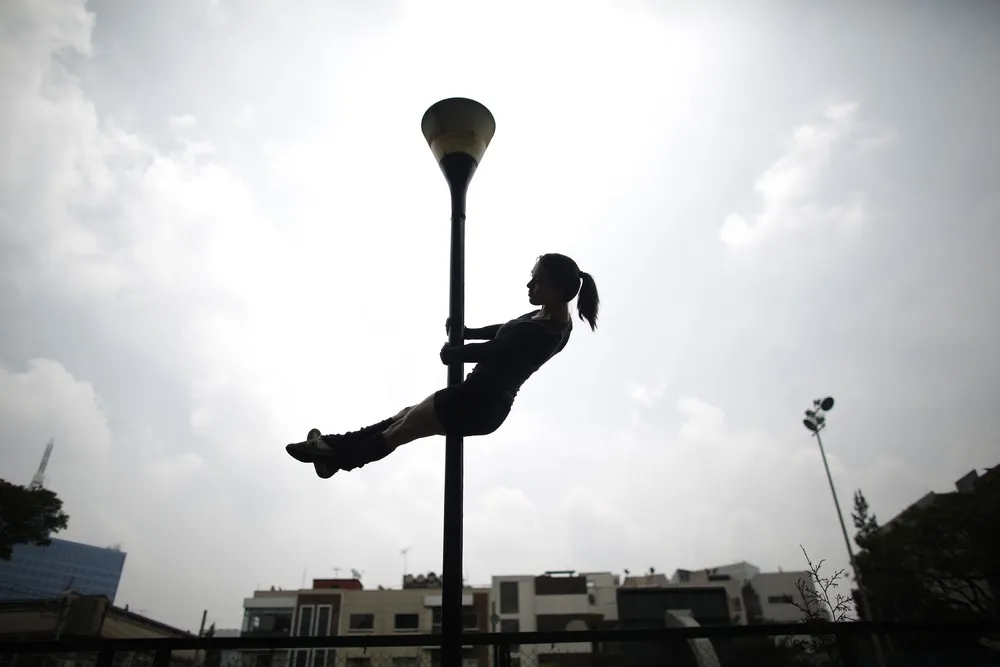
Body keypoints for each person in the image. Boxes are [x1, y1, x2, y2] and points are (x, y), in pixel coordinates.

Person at [285, 253, 600, 478]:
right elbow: (504, 330)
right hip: (475, 395)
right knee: (402, 418)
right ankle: (329, 448)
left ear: (557, 289)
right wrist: (466, 333)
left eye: (537, 280)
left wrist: (456, 353)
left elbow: (498, 351)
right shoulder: (545, 316)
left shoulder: (550, 330)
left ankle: (335, 457)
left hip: (481, 402)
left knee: (400, 431)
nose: (529, 285)